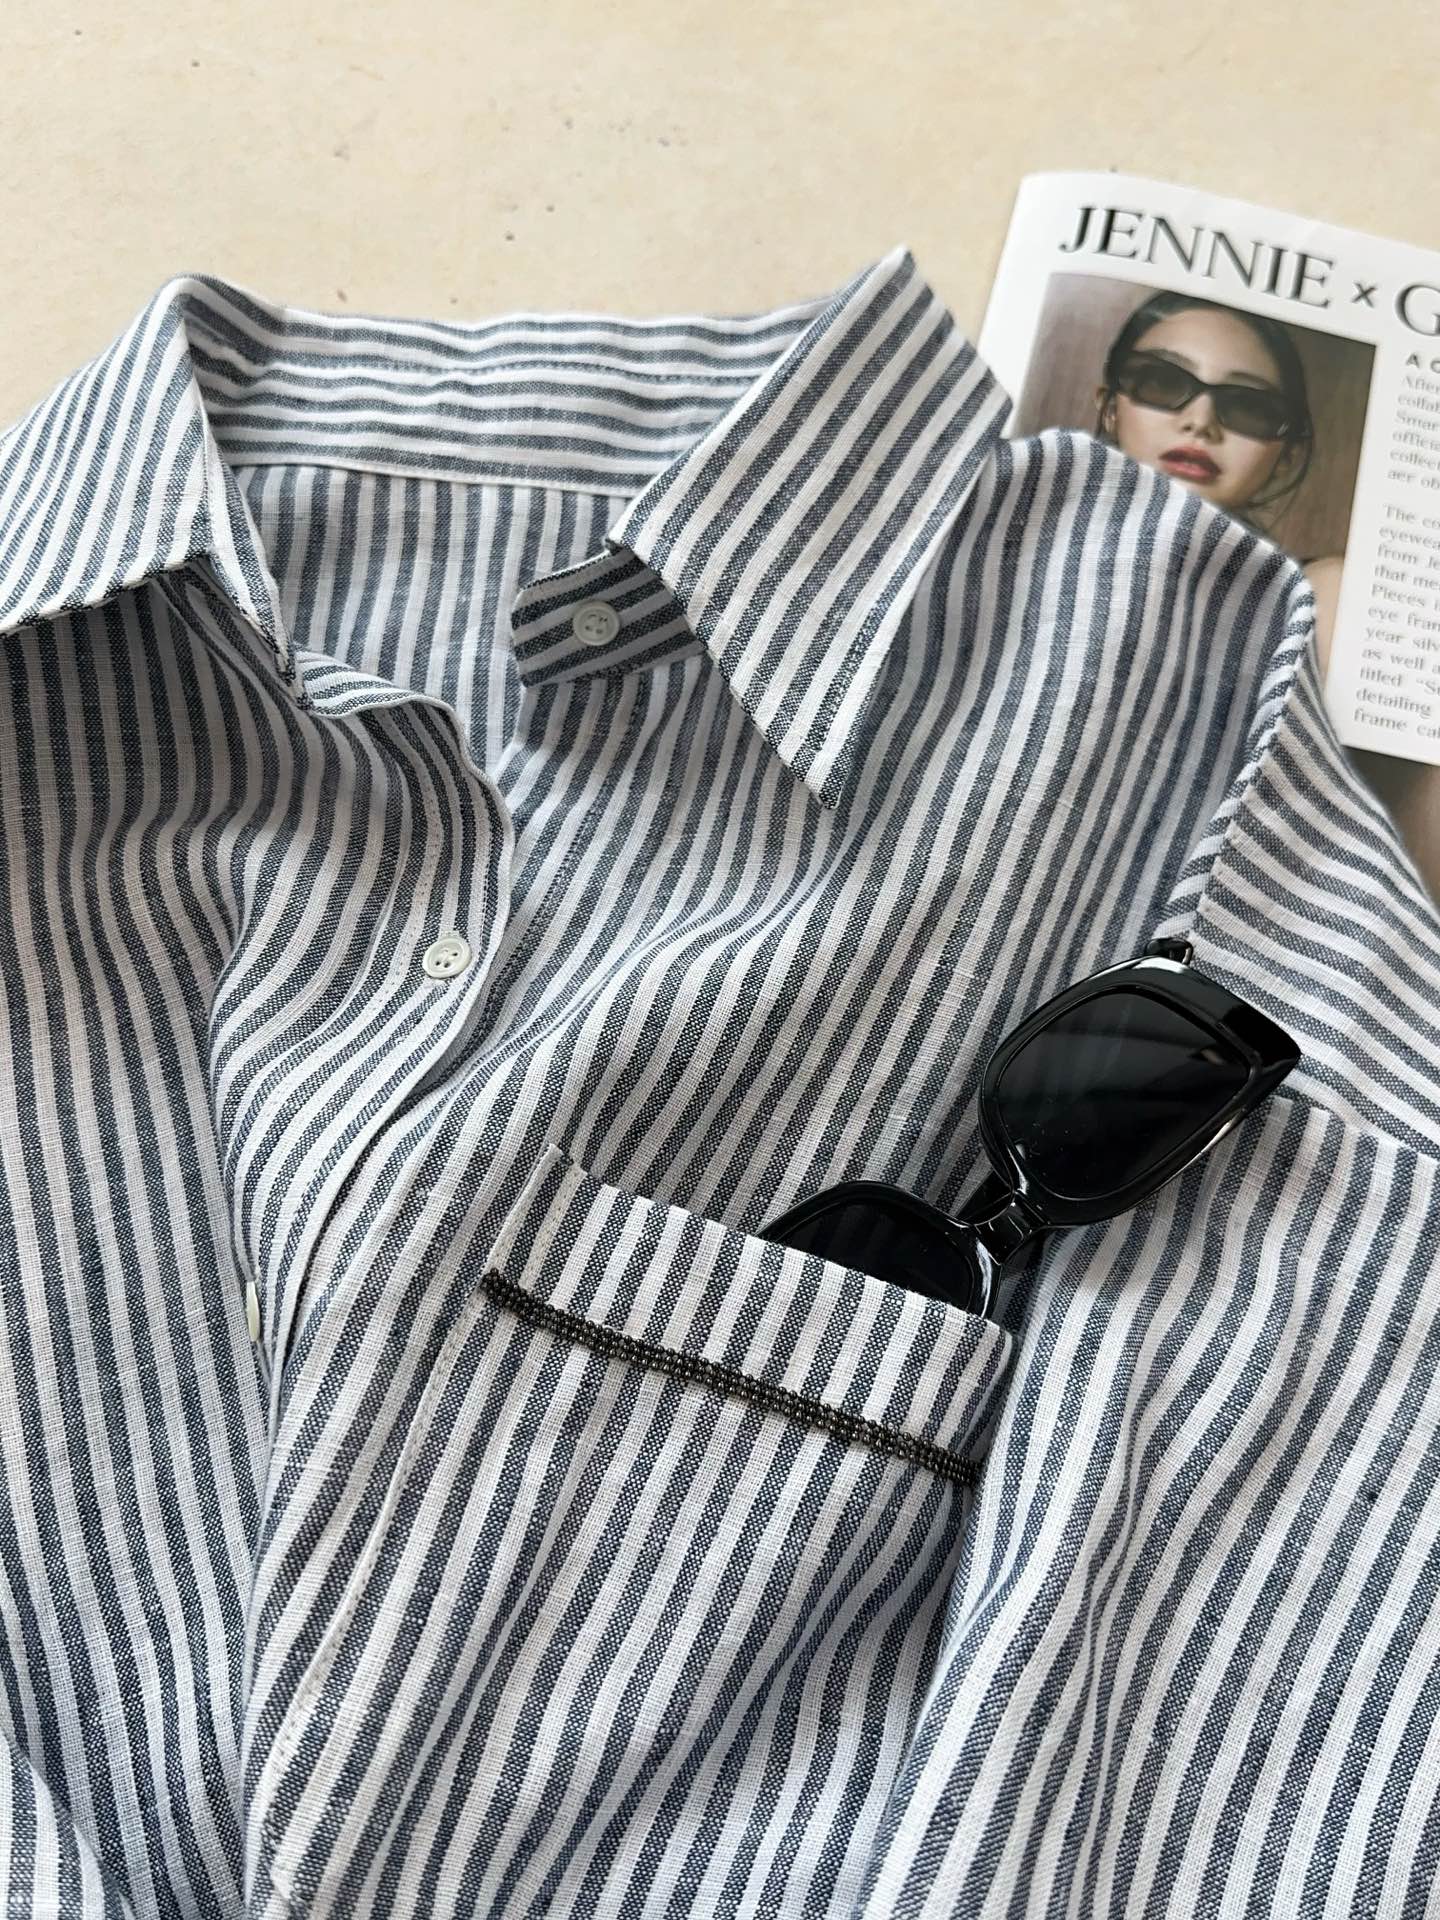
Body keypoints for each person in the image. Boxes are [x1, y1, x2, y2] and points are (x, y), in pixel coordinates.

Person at [1093, 291, 1344, 676]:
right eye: (1162, 382)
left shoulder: (1319, 599)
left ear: (1286, 457)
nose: (1200, 422)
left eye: (1248, 406)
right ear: (1111, 409)